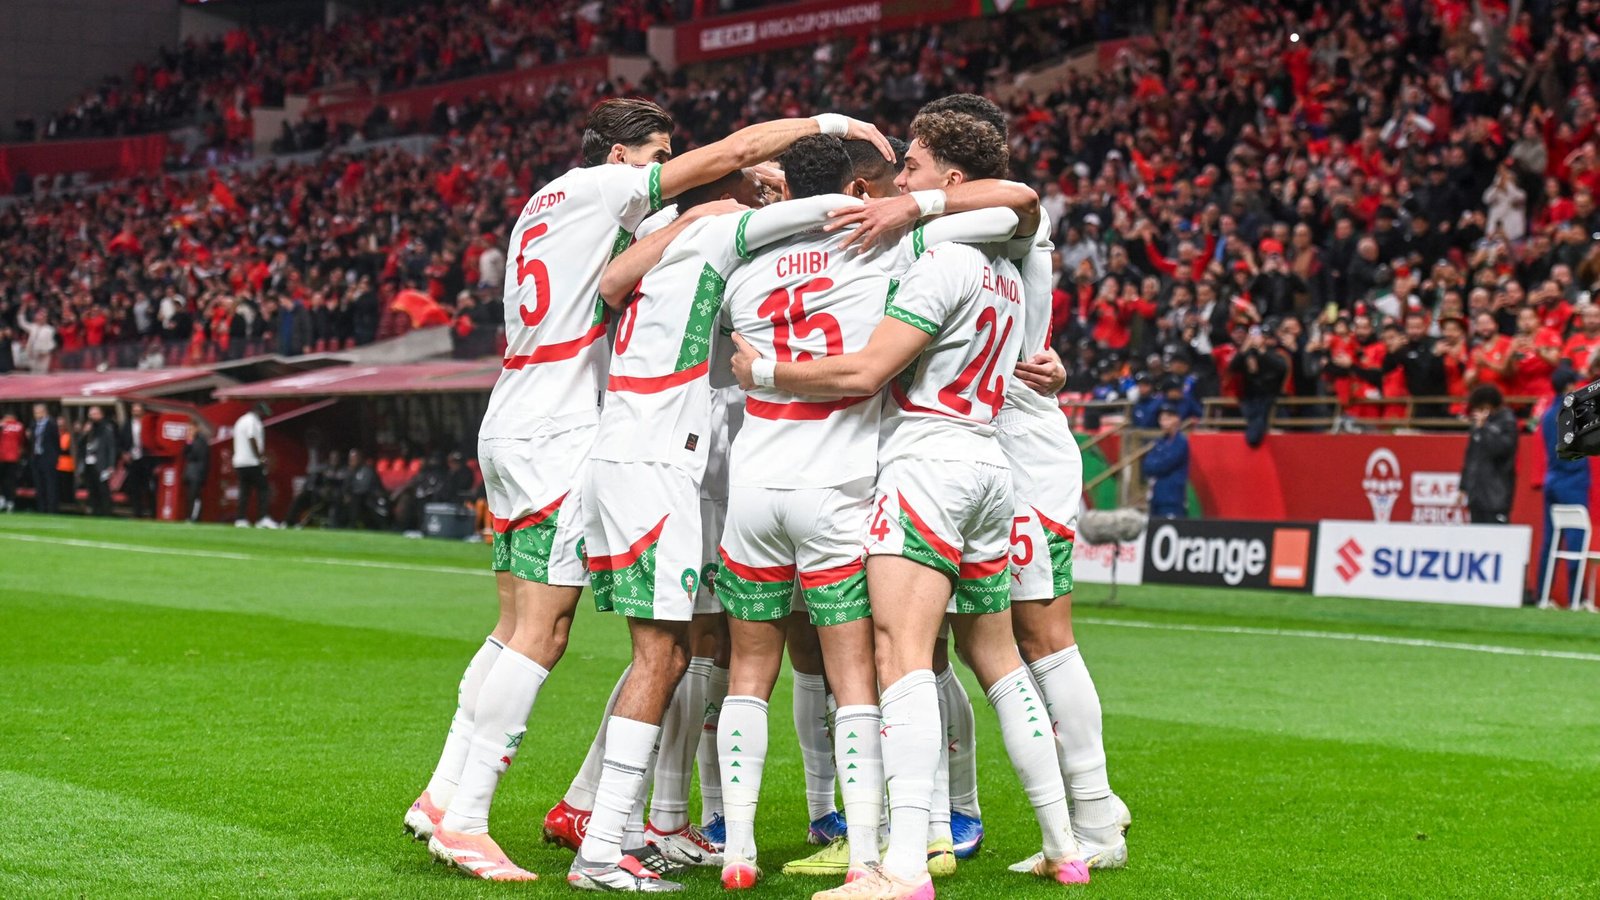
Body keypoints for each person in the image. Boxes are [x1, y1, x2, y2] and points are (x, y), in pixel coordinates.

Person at [414, 97, 895, 888]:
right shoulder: (635, 201)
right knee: (580, 636)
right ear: (619, 159)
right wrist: (832, 131)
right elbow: (748, 174)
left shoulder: (559, 211)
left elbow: (611, 281)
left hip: (540, 416)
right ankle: (486, 820)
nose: (663, 173)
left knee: (525, 628)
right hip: (593, 436)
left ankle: (453, 799)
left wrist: (708, 207)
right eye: (656, 157)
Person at [734, 108, 1088, 898]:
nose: (902, 182)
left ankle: (901, 865)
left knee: (903, 662)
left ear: (952, 183)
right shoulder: (1003, 263)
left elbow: (864, 374)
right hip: (990, 467)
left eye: (916, 169)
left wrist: (763, 374)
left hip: (926, 462)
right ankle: (1065, 844)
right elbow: (1022, 205)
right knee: (997, 663)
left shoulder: (938, 259)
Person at [1538, 368, 1591, 604]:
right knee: (1576, 541)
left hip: (1553, 480)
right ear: (1570, 386)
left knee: (1550, 542)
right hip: (1572, 481)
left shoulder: (1548, 414)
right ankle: (1576, 599)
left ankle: (1542, 596)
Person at [1461, 385, 1519, 525]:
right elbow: (1471, 457)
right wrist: (1463, 486)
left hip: (1496, 496)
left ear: (1488, 406)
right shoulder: (1478, 426)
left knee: (1497, 538)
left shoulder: (1507, 422)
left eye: (1480, 408)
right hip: (1477, 496)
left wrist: (1484, 429)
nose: (1477, 413)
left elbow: (1501, 450)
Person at [1229, 327, 1287, 448]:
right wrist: (1245, 348)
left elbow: (1281, 368)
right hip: (1249, 395)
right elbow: (1232, 367)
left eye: (1266, 337)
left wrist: (1262, 350)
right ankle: (1253, 438)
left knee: (1260, 417)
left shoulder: (1277, 354)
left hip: (1269, 395)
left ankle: (1253, 439)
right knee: (1254, 417)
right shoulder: (1248, 353)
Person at [232, 403, 276, 527]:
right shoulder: (252, 421)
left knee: (244, 490)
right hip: (251, 461)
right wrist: (260, 457)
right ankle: (262, 518)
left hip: (239, 461)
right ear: (259, 410)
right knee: (263, 488)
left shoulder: (241, 420)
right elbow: (251, 438)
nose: (263, 416)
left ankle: (240, 519)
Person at [1143, 405, 1190, 518]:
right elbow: (1147, 465)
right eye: (1161, 419)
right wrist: (1155, 465)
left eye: (1167, 418)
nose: (1163, 423)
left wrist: (1156, 465)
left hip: (1173, 497)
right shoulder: (1159, 442)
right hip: (1156, 496)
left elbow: (1167, 463)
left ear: (1176, 419)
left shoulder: (1181, 442)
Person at [119, 402, 158, 519]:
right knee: (134, 488)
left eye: (137, 409)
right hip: (133, 459)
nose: (135, 411)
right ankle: (137, 513)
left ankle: (153, 512)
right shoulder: (127, 425)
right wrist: (124, 453)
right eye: (133, 409)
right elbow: (121, 442)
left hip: (146, 459)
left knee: (149, 487)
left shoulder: (149, 424)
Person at [79, 406, 117, 517]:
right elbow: (80, 444)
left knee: (103, 490)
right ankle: (94, 511)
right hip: (88, 463)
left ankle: (106, 512)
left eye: (95, 414)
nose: (92, 417)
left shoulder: (107, 428)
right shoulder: (88, 428)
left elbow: (111, 448)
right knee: (91, 489)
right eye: (91, 414)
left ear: (101, 415)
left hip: (101, 464)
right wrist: (84, 433)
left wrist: (111, 464)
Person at [28, 404, 59, 514]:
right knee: (39, 484)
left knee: (50, 483)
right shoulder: (33, 424)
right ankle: (41, 508)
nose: (36, 415)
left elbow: (56, 442)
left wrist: (54, 457)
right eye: (35, 412)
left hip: (48, 458)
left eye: (38, 412)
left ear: (44, 412)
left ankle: (51, 509)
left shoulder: (51, 424)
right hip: (37, 457)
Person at [182, 424, 210, 523]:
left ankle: (194, 517)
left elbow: (196, 456)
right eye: (188, 429)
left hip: (197, 473)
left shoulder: (201, 441)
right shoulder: (191, 442)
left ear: (197, 429)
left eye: (192, 429)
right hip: (190, 473)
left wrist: (190, 443)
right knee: (190, 496)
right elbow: (185, 454)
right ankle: (190, 516)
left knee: (195, 496)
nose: (190, 431)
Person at [0, 412, 24, 511]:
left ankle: (2, 500)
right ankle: (10, 502)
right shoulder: (19, 426)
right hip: (14, 457)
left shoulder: (2, 425)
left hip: (2, 457)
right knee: (10, 481)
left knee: (2, 480)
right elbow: (22, 441)